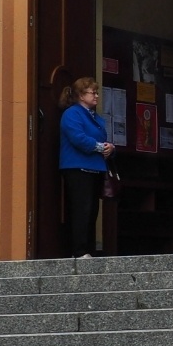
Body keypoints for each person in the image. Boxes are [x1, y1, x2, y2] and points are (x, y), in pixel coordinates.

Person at [57, 77, 114, 258]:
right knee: (82, 209)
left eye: (97, 92)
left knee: (92, 211)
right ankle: (79, 250)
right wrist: (100, 147)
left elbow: (103, 139)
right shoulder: (72, 113)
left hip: (95, 167)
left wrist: (111, 148)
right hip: (77, 167)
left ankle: (87, 249)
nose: (97, 96)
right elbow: (78, 138)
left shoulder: (94, 116)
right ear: (81, 95)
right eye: (93, 92)